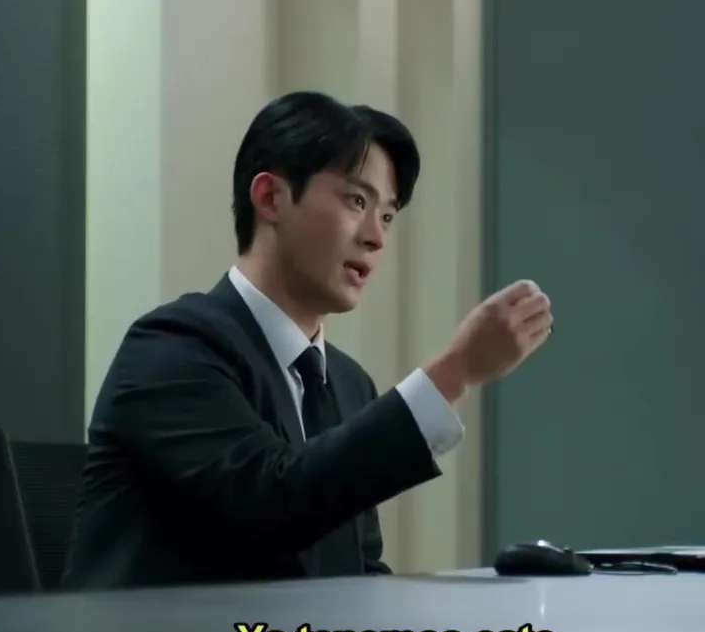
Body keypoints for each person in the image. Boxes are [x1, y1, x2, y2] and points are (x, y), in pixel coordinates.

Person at [63, 91, 553, 589]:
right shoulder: (171, 347)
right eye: (357, 201)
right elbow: (273, 503)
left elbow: (356, 575)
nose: (377, 237)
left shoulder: (348, 383)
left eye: (387, 215)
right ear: (270, 198)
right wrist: (455, 371)